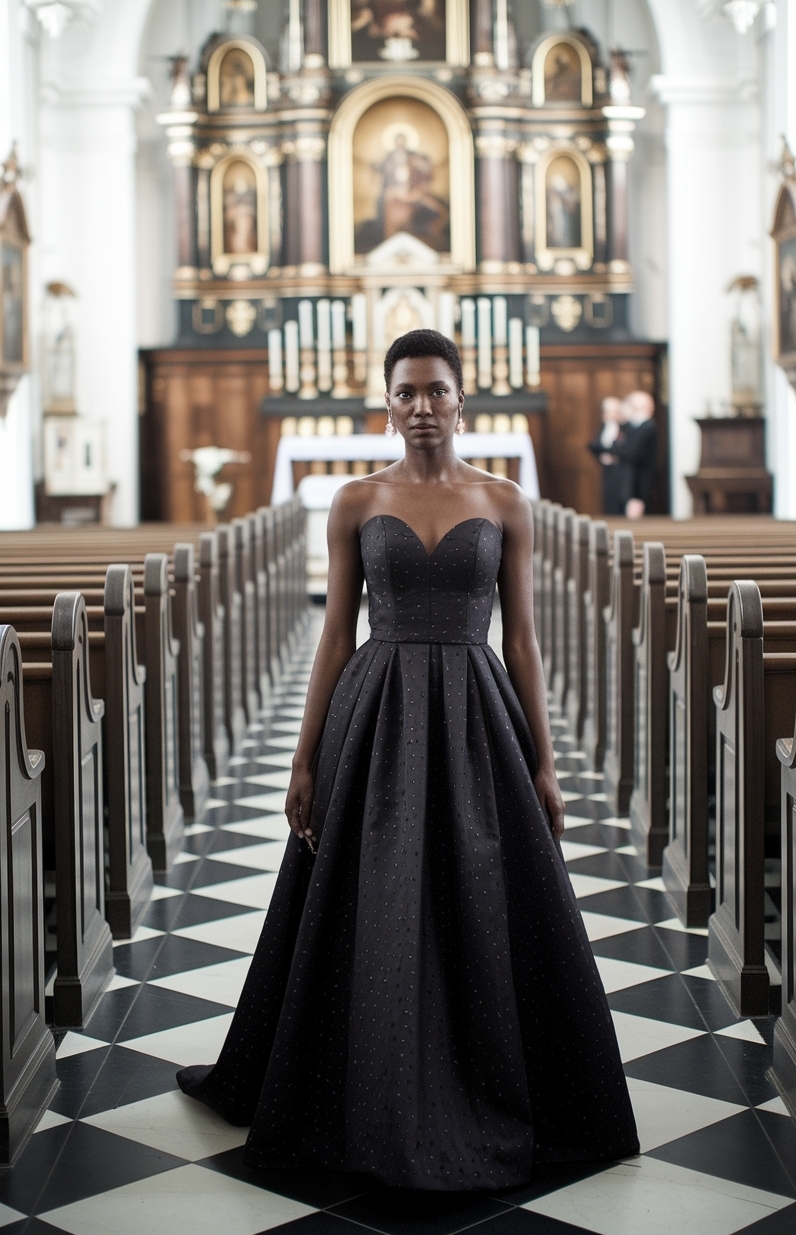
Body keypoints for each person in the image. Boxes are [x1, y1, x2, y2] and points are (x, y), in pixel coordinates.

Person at [177, 328, 639, 1190]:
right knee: (373, 899)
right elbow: (333, 638)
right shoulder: (354, 501)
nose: (421, 406)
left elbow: (526, 642)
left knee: (483, 895)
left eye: (435, 390)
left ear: (462, 397)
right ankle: (361, 1087)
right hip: (377, 711)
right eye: (405, 393)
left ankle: (493, 1081)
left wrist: (543, 761)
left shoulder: (504, 501)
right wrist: (303, 760)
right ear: (385, 403)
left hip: (476, 712)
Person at [618, 390, 658, 520]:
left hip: (641, 481)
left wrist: (614, 452)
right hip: (632, 479)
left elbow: (631, 451)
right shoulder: (631, 426)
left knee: (637, 515)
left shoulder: (648, 426)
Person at [588, 395, 629, 514]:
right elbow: (594, 445)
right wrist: (603, 455)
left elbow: (627, 450)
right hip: (608, 472)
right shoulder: (604, 426)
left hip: (622, 473)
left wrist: (611, 453)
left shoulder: (626, 428)